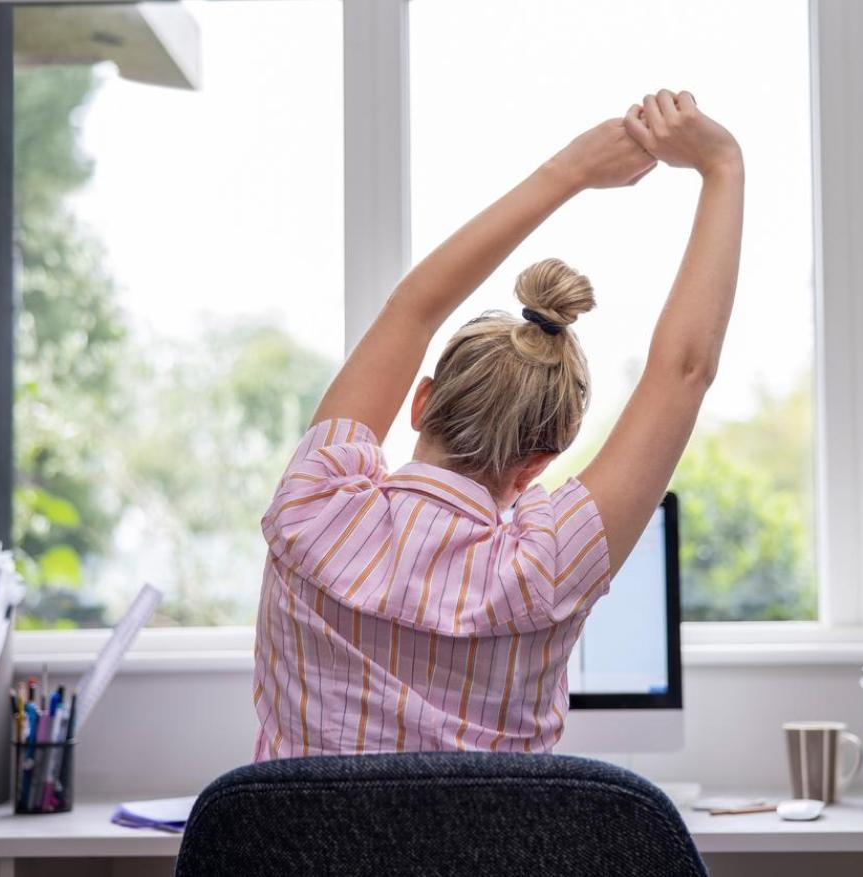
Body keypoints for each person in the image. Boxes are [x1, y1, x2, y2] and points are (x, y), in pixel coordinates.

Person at [253, 89, 744, 758]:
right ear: (540, 460)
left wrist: (569, 171)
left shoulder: (314, 502)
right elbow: (683, 373)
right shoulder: (545, 566)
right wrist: (723, 167)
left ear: (420, 400)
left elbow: (412, 311)